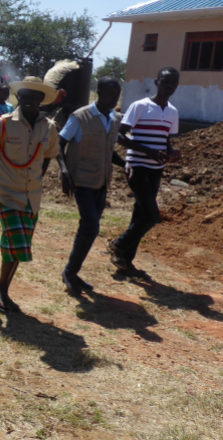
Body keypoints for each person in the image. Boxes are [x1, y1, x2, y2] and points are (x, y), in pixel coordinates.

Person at [0, 77, 60, 313]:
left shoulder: (49, 127)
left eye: (34, 95)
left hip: (32, 195)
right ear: (18, 97)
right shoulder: (3, 124)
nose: (28, 99)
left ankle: (1, 286)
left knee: (18, 247)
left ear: (41, 99)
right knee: (17, 243)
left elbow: (48, 157)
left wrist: (37, 180)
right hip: (6, 192)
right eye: (24, 94)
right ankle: (1, 289)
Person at [108, 67, 181, 280]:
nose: (170, 86)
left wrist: (170, 152)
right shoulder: (140, 106)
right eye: (166, 81)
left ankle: (125, 262)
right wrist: (149, 151)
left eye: (174, 82)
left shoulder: (172, 112)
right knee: (152, 215)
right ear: (157, 82)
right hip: (137, 166)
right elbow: (120, 137)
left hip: (156, 170)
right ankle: (118, 245)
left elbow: (165, 138)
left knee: (140, 214)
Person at [56, 77, 125, 293]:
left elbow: (107, 150)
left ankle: (72, 272)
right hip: (82, 180)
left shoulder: (114, 119)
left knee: (89, 228)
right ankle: (70, 271)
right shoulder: (81, 117)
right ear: (98, 92)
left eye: (117, 94)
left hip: (101, 181)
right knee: (91, 226)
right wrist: (64, 171)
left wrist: (125, 165)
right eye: (110, 94)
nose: (114, 99)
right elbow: (59, 144)